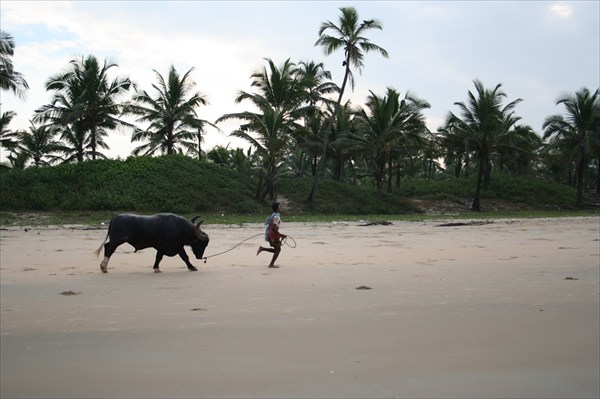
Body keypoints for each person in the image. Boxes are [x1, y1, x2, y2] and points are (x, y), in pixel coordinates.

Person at [256, 202, 286, 268]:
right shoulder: (277, 217)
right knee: (277, 250)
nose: (281, 208)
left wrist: (280, 235)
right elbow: (273, 228)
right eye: (280, 207)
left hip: (272, 234)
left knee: (277, 250)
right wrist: (281, 235)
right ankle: (271, 264)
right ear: (277, 209)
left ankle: (262, 249)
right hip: (273, 235)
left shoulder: (274, 215)